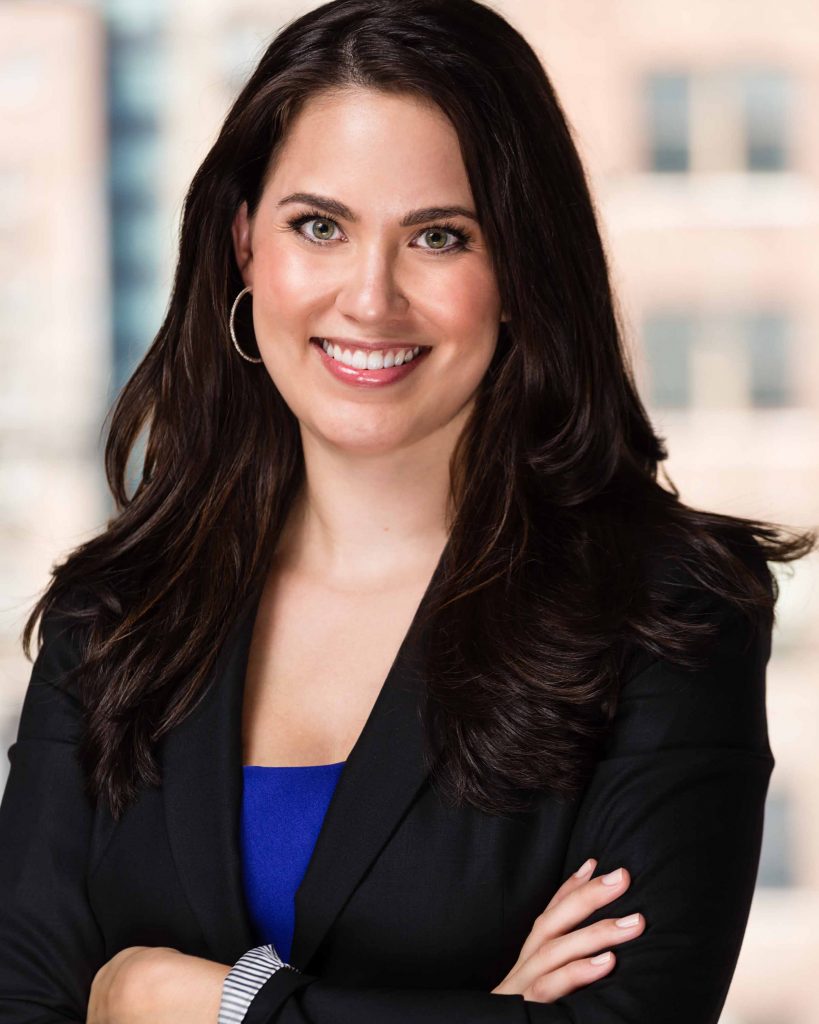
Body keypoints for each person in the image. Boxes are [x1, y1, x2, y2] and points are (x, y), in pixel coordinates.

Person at [0, 0, 814, 1021]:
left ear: (518, 268)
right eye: (319, 226)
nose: (371, 298)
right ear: (245, 244)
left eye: (437, 236)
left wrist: (184, 999)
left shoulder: (665, 615)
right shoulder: (113, 617)